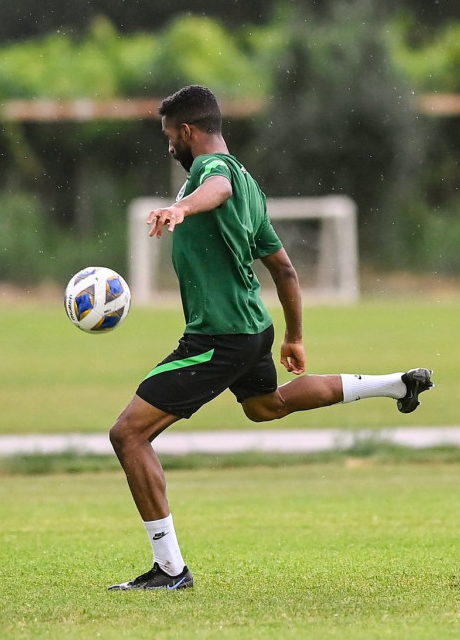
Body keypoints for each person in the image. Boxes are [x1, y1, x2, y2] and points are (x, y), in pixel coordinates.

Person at [107, 84, 434, 591]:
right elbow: (284, 270)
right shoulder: (252, 185)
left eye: (170, 136)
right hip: (254, 330)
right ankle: (396, 384)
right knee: (267, 407)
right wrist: (294, 337)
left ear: (188, 132)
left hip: (219, 336)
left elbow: (217, 191)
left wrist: (183, 209)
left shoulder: (209, 173)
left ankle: (170, 570)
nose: (168, 145)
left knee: (128, 434)